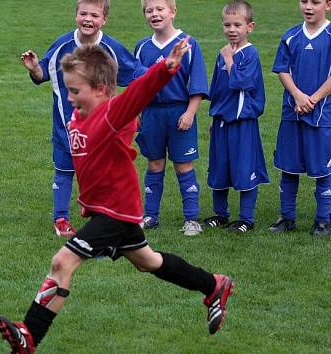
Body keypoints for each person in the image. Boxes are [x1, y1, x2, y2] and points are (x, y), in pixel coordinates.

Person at [0, 40, 234, 354]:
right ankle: (213, 285)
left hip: (115, 210)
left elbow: (139, 92)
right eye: (67, 90)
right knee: (149, 261)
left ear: (102, 89)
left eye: (76, 91)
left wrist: (166, 67)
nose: (69, 97)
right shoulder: (79, 116)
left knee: (62, 261)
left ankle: (29, 336)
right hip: (105, 209)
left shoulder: (111, 113)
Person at [21, 0, 145, 237]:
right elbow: (42, 73)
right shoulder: (63, 44)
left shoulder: (112, 48)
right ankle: (61, 219)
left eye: (94, 15)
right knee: (64, 170)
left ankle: (113, 217)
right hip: (66, 125)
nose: (88, 19)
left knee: (106, 173)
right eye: (83, 14)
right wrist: (34, 67)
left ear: (104, 20)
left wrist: (136, 106)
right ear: (76, 15)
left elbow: (138, 75)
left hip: (102, 128)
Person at [133, 0, 209, 236]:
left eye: (160, 9)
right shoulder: (142, 47)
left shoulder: (188, 44)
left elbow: (197, 83)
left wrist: (190, 112)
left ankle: (191, 219)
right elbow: (138, 85)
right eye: (149, 10)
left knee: (183, 165)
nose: (154, 14)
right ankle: (151, 216)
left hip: (180, 112)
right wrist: (136, 112)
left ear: (173, 12)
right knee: (154, 163)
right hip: (152, 114)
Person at [202, 0, 269, 234]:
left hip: (243, 122)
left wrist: (230, 60)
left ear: (249, 27)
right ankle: (221, 214)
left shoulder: (250, 54)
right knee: (219, 168)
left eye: (237, 25)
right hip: (222, 122)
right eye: (227, 24)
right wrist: (213, 118)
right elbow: (218, 89)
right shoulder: (223, 54)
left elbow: (241, 82)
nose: (231, 29)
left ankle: (246, 219)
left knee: (244, 167)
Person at [269, 0, 331, 236]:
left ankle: (324, 220)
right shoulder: (291, 35)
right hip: (292, 112)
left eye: (315, 2)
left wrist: (312, 99)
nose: (308, 6)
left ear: (328, 5)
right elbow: (282, 70)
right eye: (304, 1)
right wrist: (297, 95)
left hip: (322, 114)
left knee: (323, 169)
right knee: (288, 167)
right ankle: (287, 218)